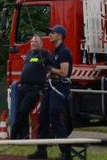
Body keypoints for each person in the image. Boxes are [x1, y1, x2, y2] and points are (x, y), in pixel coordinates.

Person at [27, 25, 73, 160]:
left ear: (60, 35)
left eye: (52, 33)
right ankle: (41, 151)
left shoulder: (64, 52)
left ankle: (66, 153)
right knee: (43, 117)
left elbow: (64, 73)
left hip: (59, 87)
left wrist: (49, 68)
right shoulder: (54, 52)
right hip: (51, 85)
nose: (50, 35)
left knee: (54, 116)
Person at [11, 35, 52, 139]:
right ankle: (24, 137)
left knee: (22, 111)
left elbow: (51, 64)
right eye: (32, 41)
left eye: (35, 41)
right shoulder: (29, 54)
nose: (33, 43)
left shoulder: (44, 54)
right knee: (20, 113)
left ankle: (13, 136)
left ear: (41, 44)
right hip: (23, 87)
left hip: (33, 88)